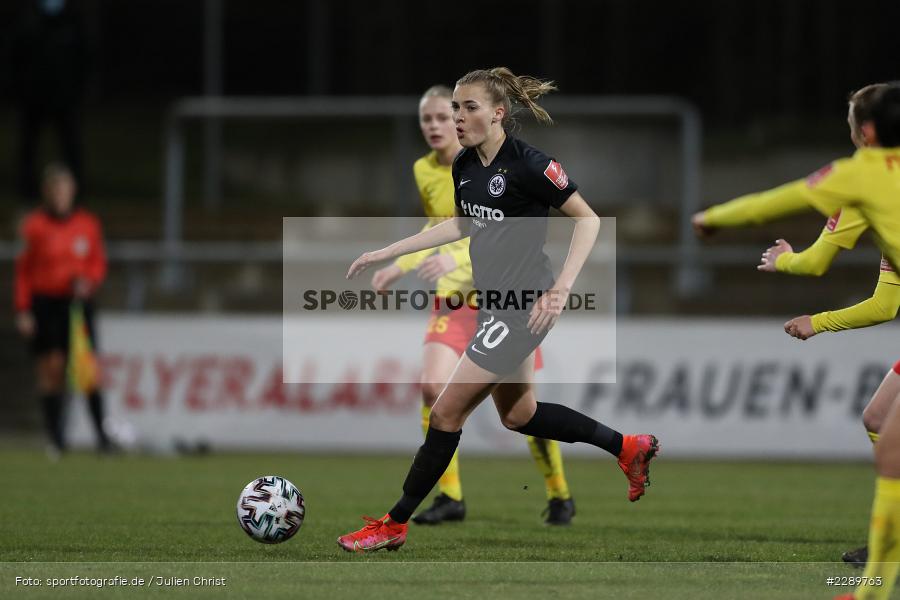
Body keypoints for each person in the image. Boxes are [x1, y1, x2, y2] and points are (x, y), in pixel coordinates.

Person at [336, 67, 659, 553]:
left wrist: (563, 289)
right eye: (456, 108)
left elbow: (588, 221)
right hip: (493, 306)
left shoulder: (531, 165)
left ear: (498, 113)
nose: (457, 116)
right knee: (520, 414)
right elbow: (462, 226)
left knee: (444, 413)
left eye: (468, 108)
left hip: (522, 308)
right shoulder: (464, 165)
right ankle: (626, 447)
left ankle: (394, 522)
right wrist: (389, 253)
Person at [692, 83, 900, 568]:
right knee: (877, 421)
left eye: (851, 123)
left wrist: (714, 219)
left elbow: (780, 209)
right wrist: (818, 322)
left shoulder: (861, 177)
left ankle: (879, 572)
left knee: (890, 448)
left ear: (865, 132)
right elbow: (887, 306)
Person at [369, 85, 577, 526]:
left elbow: (489, 232)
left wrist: (455, 258)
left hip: (506, 300)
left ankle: (559, 491)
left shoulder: (508, 164)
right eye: (428, 119)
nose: (438, 126)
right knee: (433, 390)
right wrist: (400, 262)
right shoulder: (430, 170)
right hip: (455, 301)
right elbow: (443, 226)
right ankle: (450, 496)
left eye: (446, 116)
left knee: (522, 411)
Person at [14, 163, 111, 456]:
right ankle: (56, 440)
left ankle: (102, 439)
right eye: (54, 189)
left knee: (88, 370)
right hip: (45, 303)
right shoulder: (34, 226)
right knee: (51, 368)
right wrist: (23, 309)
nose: (59, 195)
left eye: (64, 188)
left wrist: (90, 281)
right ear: (47, 192)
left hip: (78, 304)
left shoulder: (88, 224)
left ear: (72, 191)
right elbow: (24, 271)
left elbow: (97, 263)